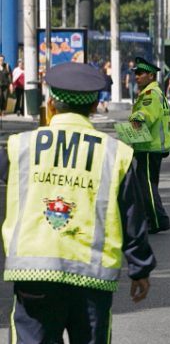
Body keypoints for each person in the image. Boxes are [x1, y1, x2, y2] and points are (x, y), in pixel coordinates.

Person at [1, 62, 156, 342]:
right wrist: (139, 269)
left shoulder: (20, 146)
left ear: (50, 103)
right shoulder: (115, 154)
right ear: (95, 106)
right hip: (92, 279)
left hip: (34, 274)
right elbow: (134, 216)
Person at [129, 57, 170, 234]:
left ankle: (157, 221)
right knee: (147, 185)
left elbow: (146, 116)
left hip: (149, 147)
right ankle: (154, 219)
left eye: (140, 74)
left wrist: (135, 117)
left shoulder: (150, 96)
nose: (137, 77)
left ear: (150, 75)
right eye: (136, 74)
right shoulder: (153, 93)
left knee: (147, 186)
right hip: (149, 147)